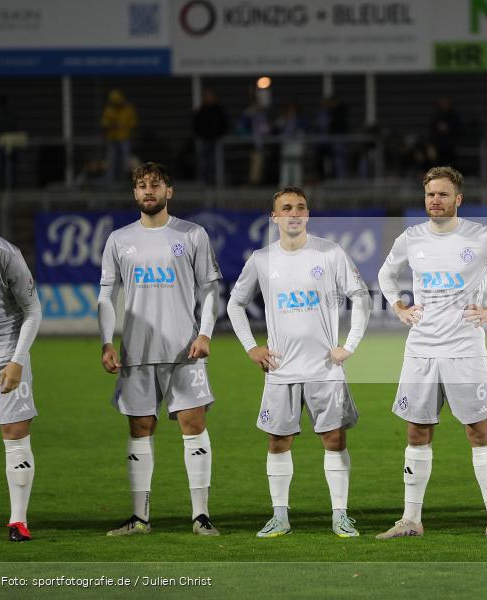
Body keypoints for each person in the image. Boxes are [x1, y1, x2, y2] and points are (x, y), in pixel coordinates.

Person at [376, 166, 487, 540]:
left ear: (458, 199)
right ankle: (411, 519)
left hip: (465, 349)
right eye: (431, 194)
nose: (436, 200)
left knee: (478, 430)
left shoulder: (481, 237)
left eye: (444, 194)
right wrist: (399, 305)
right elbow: (386, 274)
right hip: (421, 350)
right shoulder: (410, 239)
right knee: (417, 430)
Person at [227, 186, 372, 538]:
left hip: (325, 369)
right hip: (280, 370)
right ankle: (280, 517)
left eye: (301, 207)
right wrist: (251, 347)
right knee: (278, 442)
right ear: (274, 216)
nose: (294, 213)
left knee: (334, 440)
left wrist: (349, 345)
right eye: (286, 208)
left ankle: (340, 515)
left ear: (308, 214)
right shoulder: (262, 259)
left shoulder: (330, 253)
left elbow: (361, 297)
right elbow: (235, 304)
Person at [98, 162, 222, 536]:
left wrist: (206, 334)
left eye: (155, 184)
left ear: (169, 191)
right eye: (140, 185)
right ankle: (140, 518)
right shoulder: (119, 239)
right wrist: (106, 340)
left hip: (185, 350)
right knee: (140, 427)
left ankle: (200, 516)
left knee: (193, 424)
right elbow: (106, 295)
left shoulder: (193, 234)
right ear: (134, 193)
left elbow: (211, 289)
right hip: (136, 352)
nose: (147, 190)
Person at [0, 235, 41, 541]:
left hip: (6, 352)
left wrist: (18, 361)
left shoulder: (5, 255)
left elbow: (33, 310)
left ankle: (17, 521)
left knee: (15, 433)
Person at [101, 89, 138, 186]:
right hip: (112, 139)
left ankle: (124, 182)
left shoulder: (128, 109)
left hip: (125, 138)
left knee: (125, 162)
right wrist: (111, 125)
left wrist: (128, 132)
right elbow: (104, 124)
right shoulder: (109, 110)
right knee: (111, 162)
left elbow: (133, 124)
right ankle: (110, 183)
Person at [193, 89, 229, 186]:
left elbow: (224, 124)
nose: (208, 98)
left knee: (217, 162)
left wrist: (219, 135)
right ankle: (206, 182)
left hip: (217, 141)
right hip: (205, 141)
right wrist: (202, 135)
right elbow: (196, 125)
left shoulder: (219, 111)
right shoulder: (201, 111)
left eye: (210, 96)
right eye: (206, 96)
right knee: (205, 163)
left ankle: (219, 181)